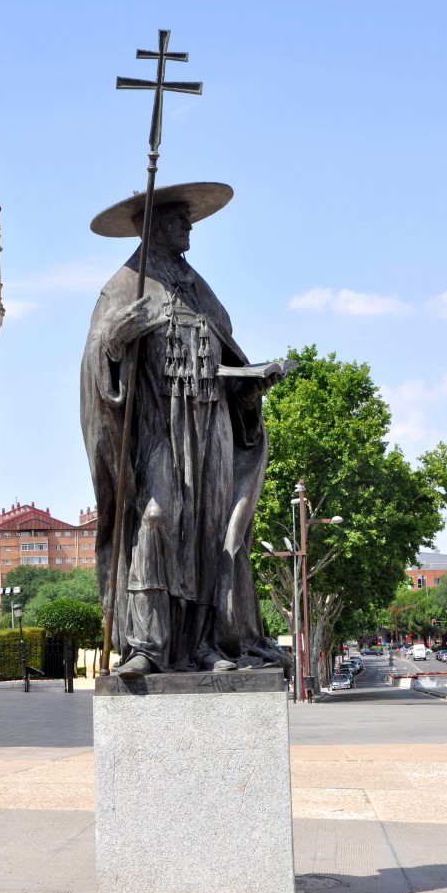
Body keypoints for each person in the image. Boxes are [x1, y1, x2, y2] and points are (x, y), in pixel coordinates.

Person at [81, 182, 291, 677]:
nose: (190, 226)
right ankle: (147, 646)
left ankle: (205, 645)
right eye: (179, 219)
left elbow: (224, 354)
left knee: (208, 531)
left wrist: (250, 385)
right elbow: (95, 363)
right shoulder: (123, 286)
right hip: (158, 430)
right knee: (155, 518)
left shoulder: (199, 288)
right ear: (152, 225)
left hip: (211, 428)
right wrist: (112, 343)